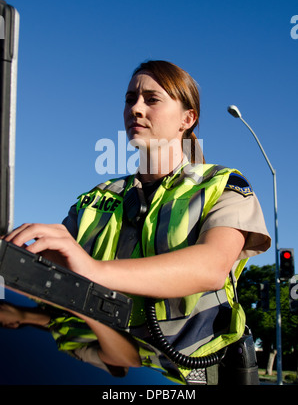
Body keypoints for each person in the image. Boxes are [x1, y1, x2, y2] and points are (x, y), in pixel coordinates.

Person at [1, 60, 271, 384]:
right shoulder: (95, 199)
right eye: (130, 99)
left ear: (188, 118)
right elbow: (63, 288)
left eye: (151, 99)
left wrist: (93, 270)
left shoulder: (222, 184)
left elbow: (211, 268)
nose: (136, 109)